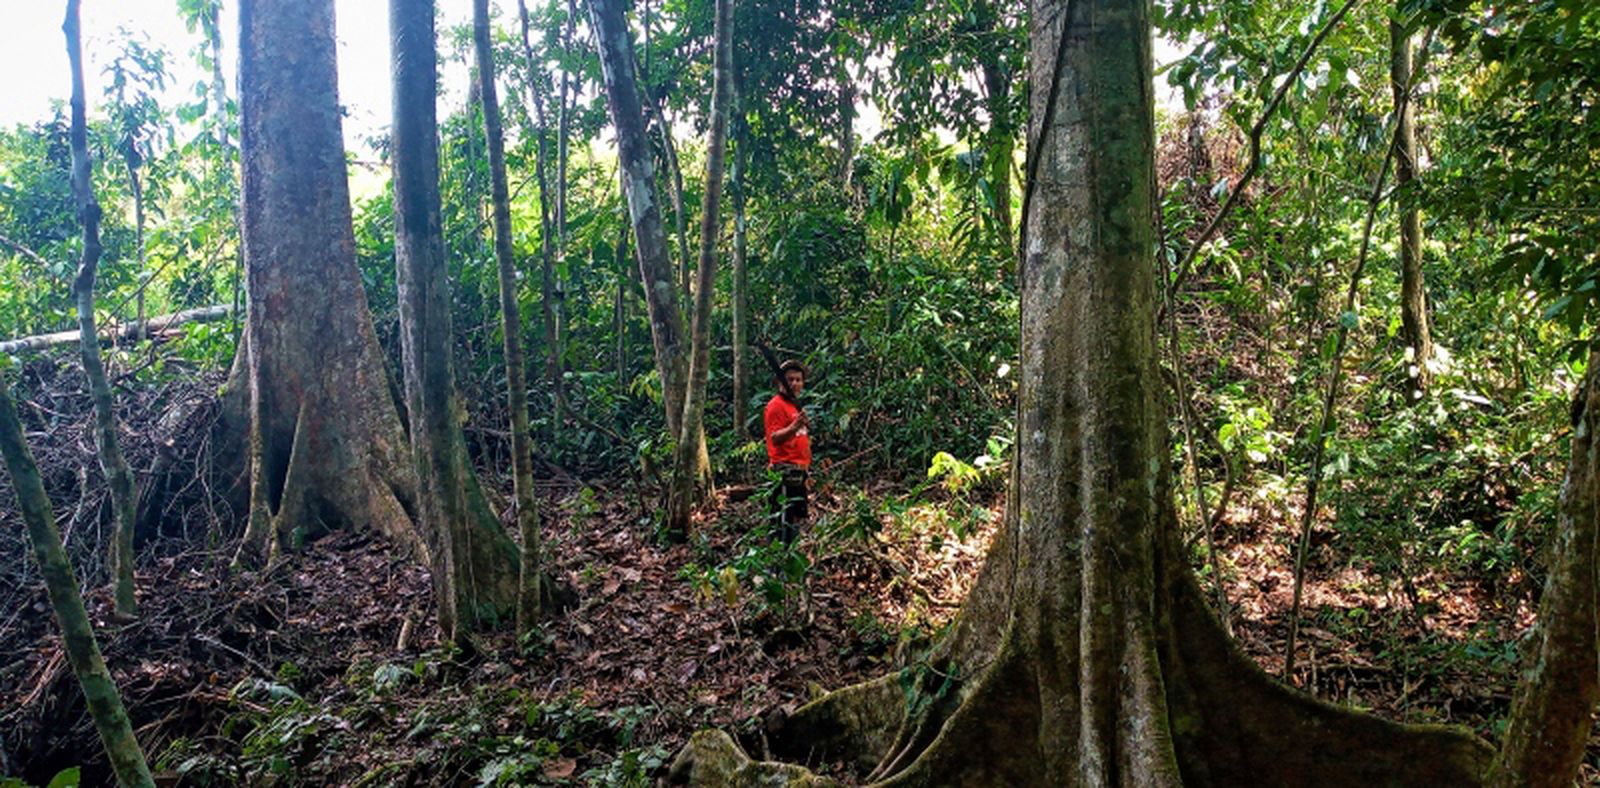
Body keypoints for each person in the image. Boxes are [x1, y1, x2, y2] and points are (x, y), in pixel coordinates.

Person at [763, 359, 810, 545]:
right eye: (790, 379)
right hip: (784, 470)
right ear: (780, 382)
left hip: (799, 470)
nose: (794, 384)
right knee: (781, 520)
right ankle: (775, 567)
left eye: (798, 380)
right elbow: (774, 437)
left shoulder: (794, 405)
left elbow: (800, 439)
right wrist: (794, 426)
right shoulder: (776, 405)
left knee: (795, 519)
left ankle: (790, 564)